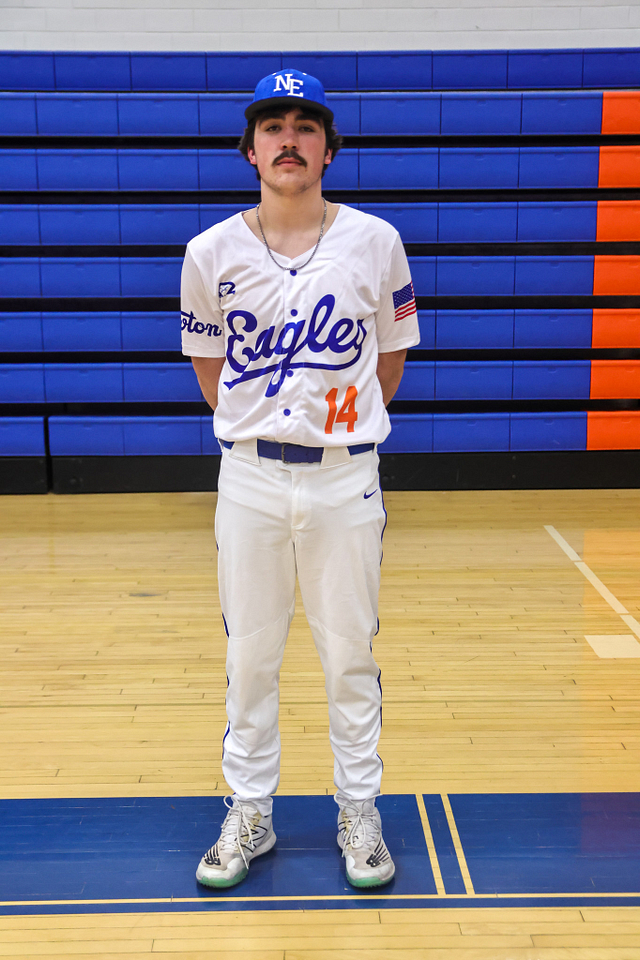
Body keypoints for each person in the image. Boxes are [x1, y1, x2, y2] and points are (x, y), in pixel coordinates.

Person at [180, 68, 419, 890]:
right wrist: (264, 431)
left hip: (345, 479)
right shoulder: (209, 253)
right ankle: (251, 810)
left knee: (349, 654)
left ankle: (359, 808)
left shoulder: (376, 242)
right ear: (250, 150)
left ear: (328, 150)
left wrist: (336, 432)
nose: (289, 139)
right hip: (248, 478)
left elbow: (390, 359)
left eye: (305, 126)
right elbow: (210, 369)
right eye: (273, 127)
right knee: (250, 656)